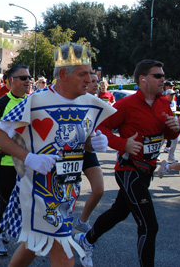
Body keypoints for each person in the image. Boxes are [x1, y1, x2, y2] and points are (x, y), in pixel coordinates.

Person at [0, 43, 114, 267]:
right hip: (38, 192)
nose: (90, 79)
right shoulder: (35, 101)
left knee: (32, 245)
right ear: (64, 74)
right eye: (83, 73)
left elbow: (77, 143)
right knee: (63, 253)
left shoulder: (90, 103)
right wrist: (29, 158)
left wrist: (92, 144)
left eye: (91, 73)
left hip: (68, 191)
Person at [76, 59, 180, 267]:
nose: (163, 80)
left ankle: (86, 240)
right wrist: (123, 144)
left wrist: (175, 128)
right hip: (129, 170)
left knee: (119, 212)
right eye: (158, 76)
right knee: (149, 225)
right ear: (143, 79)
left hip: (147, 170)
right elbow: (101, 127)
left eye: (163, 75)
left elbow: (168, 133)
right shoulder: (126, 105)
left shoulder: (163, 104)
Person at [0, 65, 30, 256]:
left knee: (23, 200)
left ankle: (7, 229)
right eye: (23, 77)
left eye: (29, 77)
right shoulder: (1, 104)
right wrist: (2, 146)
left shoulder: (31, 103)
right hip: (4, 162)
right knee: (6, 202)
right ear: (10, 81)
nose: (28, 81)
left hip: (25, 162)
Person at [74, 71, 106, 235]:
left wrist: (99, 141)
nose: (95, 84)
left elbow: (94, 134)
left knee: (99, 189)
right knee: (67, 193)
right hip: (69, 152)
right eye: (91, 81)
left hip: (86, 151)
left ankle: (82, 220)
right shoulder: (74, 100)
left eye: (97, 81)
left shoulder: (97, 104)